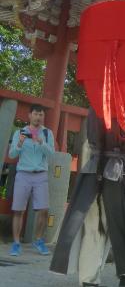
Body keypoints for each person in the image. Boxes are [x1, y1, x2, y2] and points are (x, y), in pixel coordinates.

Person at [50, 108, 125, 287]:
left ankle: (89, 279)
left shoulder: (95, 106)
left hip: (93, 170)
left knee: (93, 227)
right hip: (120, 173)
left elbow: (91, 138)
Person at [8, 104, 54, 257]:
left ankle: (39, 240)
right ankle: (16, 243)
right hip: (23, 174)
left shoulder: (48, 133)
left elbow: (52, 154)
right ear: (29, 115)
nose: (38, 117)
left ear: (43, 117)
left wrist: (42, 142)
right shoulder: (20, 132)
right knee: (18, 210)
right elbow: (13, 154)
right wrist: (20, 143)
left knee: (44, 209)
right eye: (35, 114)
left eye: (41, 115)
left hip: (41, 174)